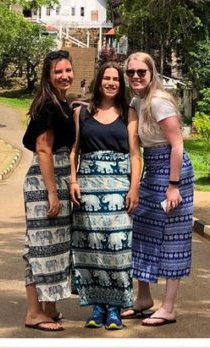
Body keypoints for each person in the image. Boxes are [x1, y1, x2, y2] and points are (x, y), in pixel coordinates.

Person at [122, 51, 194, 326]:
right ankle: (143, 298)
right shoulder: (138, 102)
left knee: (173, 237)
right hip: (152, 170)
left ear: (152, 73)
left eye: (142, 72)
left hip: (173, 171)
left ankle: (168, 307)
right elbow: (135, 147)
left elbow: (177, 145)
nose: (136, 76)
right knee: (143, 229)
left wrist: (174, 186)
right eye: (131, 72)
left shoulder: (159, 102)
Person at [68, 63, 141, 330]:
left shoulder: (129, 114)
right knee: (92, 246)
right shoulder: (82, 113)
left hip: (119, 186)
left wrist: (134, 188)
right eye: (106, 78)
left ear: (120, 84)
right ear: (99, 81)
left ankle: (116, 308)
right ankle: (97, 306)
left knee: (118, 247)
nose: (111, 83)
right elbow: (74, 151)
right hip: (88, 188)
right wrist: (73, 180)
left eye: (115, 79)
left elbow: (135, 155)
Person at [21, 49, 76, 332]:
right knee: (39, 245)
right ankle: (33, 312)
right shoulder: (47, 105)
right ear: (48, 76)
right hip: (46, 180)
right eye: (58, 72)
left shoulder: (62, 103)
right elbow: (43, 148)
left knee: (56, 246)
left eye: (68, 70)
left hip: (60, 178)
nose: (64, 76)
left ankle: (50, 307)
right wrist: (52, 192)